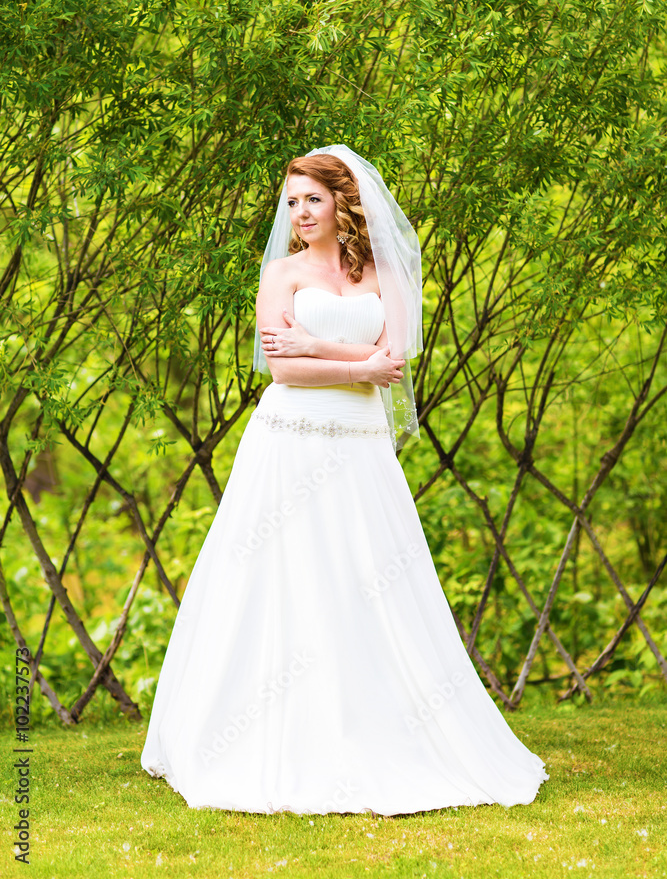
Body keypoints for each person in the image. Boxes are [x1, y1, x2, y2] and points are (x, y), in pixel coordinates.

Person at [140, 144, 548, 814]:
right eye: (292, 200)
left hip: (360, 446)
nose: (299, 212)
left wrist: (320, 346)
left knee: (369, 578)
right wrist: (355, 364)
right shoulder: (280, 273)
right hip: (289, 441)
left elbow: (399, 356)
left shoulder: (383, 271)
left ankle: (380, 727)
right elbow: (284, 371)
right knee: (279, 577)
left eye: (312, 199)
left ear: (342, 203)